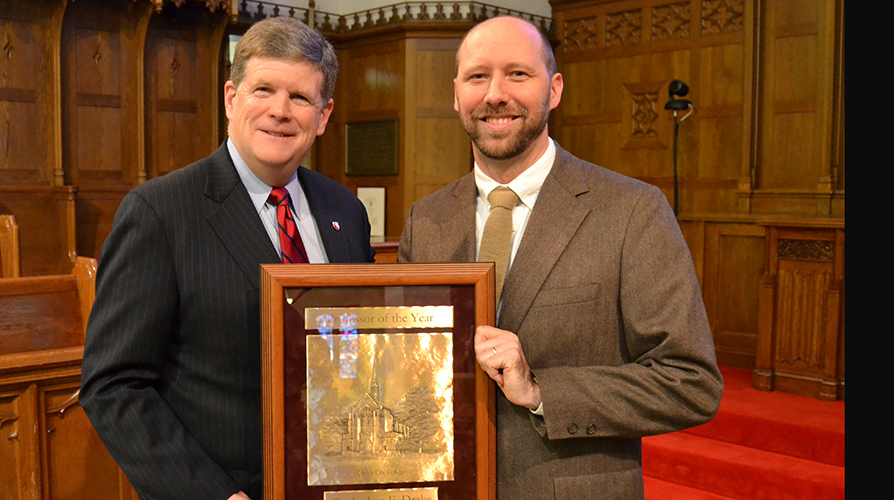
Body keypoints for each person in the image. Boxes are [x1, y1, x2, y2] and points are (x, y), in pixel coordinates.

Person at [398, 16, 722, 500]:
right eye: (478, 76)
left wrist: (542, 391)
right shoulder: (425, 219)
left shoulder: (631, 210)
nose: (495, 94)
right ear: (455, 93)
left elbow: (690, 383)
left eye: (518, 75)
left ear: (554, 89)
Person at [80, 17, 375, 500]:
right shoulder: (160, 211)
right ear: (231, 99)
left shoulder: (345, 211)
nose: (280, 111)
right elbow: (113, 386)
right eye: (263, 90)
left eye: (300, 97)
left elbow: (354, 345)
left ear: (323, 115)